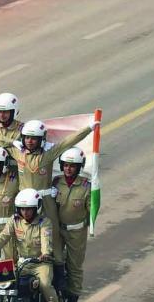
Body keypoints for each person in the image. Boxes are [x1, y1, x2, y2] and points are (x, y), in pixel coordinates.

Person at [7, 119, 95, 288]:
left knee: (53, 238)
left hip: (45, 202)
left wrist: (89, 128)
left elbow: (69, 141)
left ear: (42, 140)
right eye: (27, 138)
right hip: (23, 203)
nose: (29, 141)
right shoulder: (16, 151)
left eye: (34, 138)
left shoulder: (49, 154)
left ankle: (59, 278)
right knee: (11, 240)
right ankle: (4, 288)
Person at [0, 188, 61, 302]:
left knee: (45, 284)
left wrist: (45, 253)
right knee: (0, 280)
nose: (25, 212)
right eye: (22, 209)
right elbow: (3, 237)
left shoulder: (44, 222)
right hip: (21, 263)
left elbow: (46, 240)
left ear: (36, 208)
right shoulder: (14, 221)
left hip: (40, 263)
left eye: (29, 209)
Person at [53, 147, 91, 302]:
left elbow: (91, 209)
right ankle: (58, 289)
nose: (69, 169)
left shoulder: (86, 186)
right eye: (66, 165)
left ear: (79, 167)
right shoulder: (55, 182)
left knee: (75, 266)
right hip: (57, 230)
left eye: (73, 166)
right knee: (56, 260)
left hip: (76, 231)